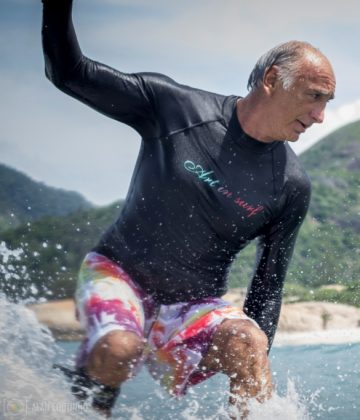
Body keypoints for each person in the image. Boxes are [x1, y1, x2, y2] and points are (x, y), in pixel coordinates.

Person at [42, 0, 335, 416]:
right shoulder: (174, 108)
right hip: (117, 276)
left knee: (248, 343)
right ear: (272, 80)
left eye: (327, 103)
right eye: (314, 97)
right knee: (120, 347)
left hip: (191, 308)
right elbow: (70, 73)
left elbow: (268, 286)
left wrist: (255, 362)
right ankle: (79, 402)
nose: (321, 116)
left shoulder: (290, 184)